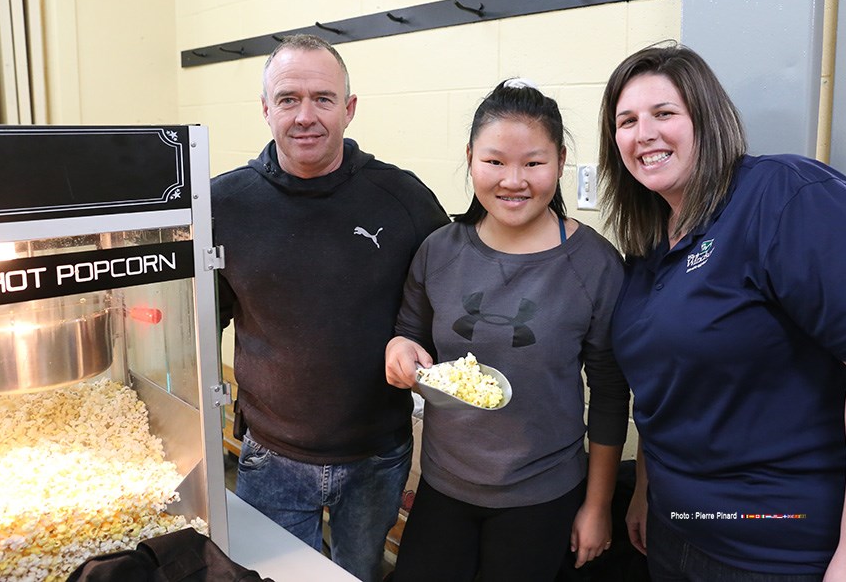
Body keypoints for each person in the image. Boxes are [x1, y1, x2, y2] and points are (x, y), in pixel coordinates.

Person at [597, 43, 846, 581]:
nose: (643, 133)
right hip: (685, 531)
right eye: (627, 121)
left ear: (708, 120)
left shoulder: (785, 196)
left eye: (664, 113)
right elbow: (664, 386)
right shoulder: (650, 246)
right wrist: (647, 490)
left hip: (799, 549)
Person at [211, 34, 449, 582]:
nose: (305, 116)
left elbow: (444, 300)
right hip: (270, 457)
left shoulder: (404, 199)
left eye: (322, 98)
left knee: (358, 573)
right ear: (266, 109)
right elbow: (200, 321)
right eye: (288, 99)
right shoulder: (225, 204)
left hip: (377, 457)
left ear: (349, 108)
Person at [384, 79, 631, 581]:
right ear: (470, 158)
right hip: (444, 483)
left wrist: (597, 506)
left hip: (543, 493)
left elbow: (610, 393)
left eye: (533, 163)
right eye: (494, 161)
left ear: (560, 162)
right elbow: (409, 331)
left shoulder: (595, 264)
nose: (513, 181)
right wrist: (400, 348)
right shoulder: (439, 249)